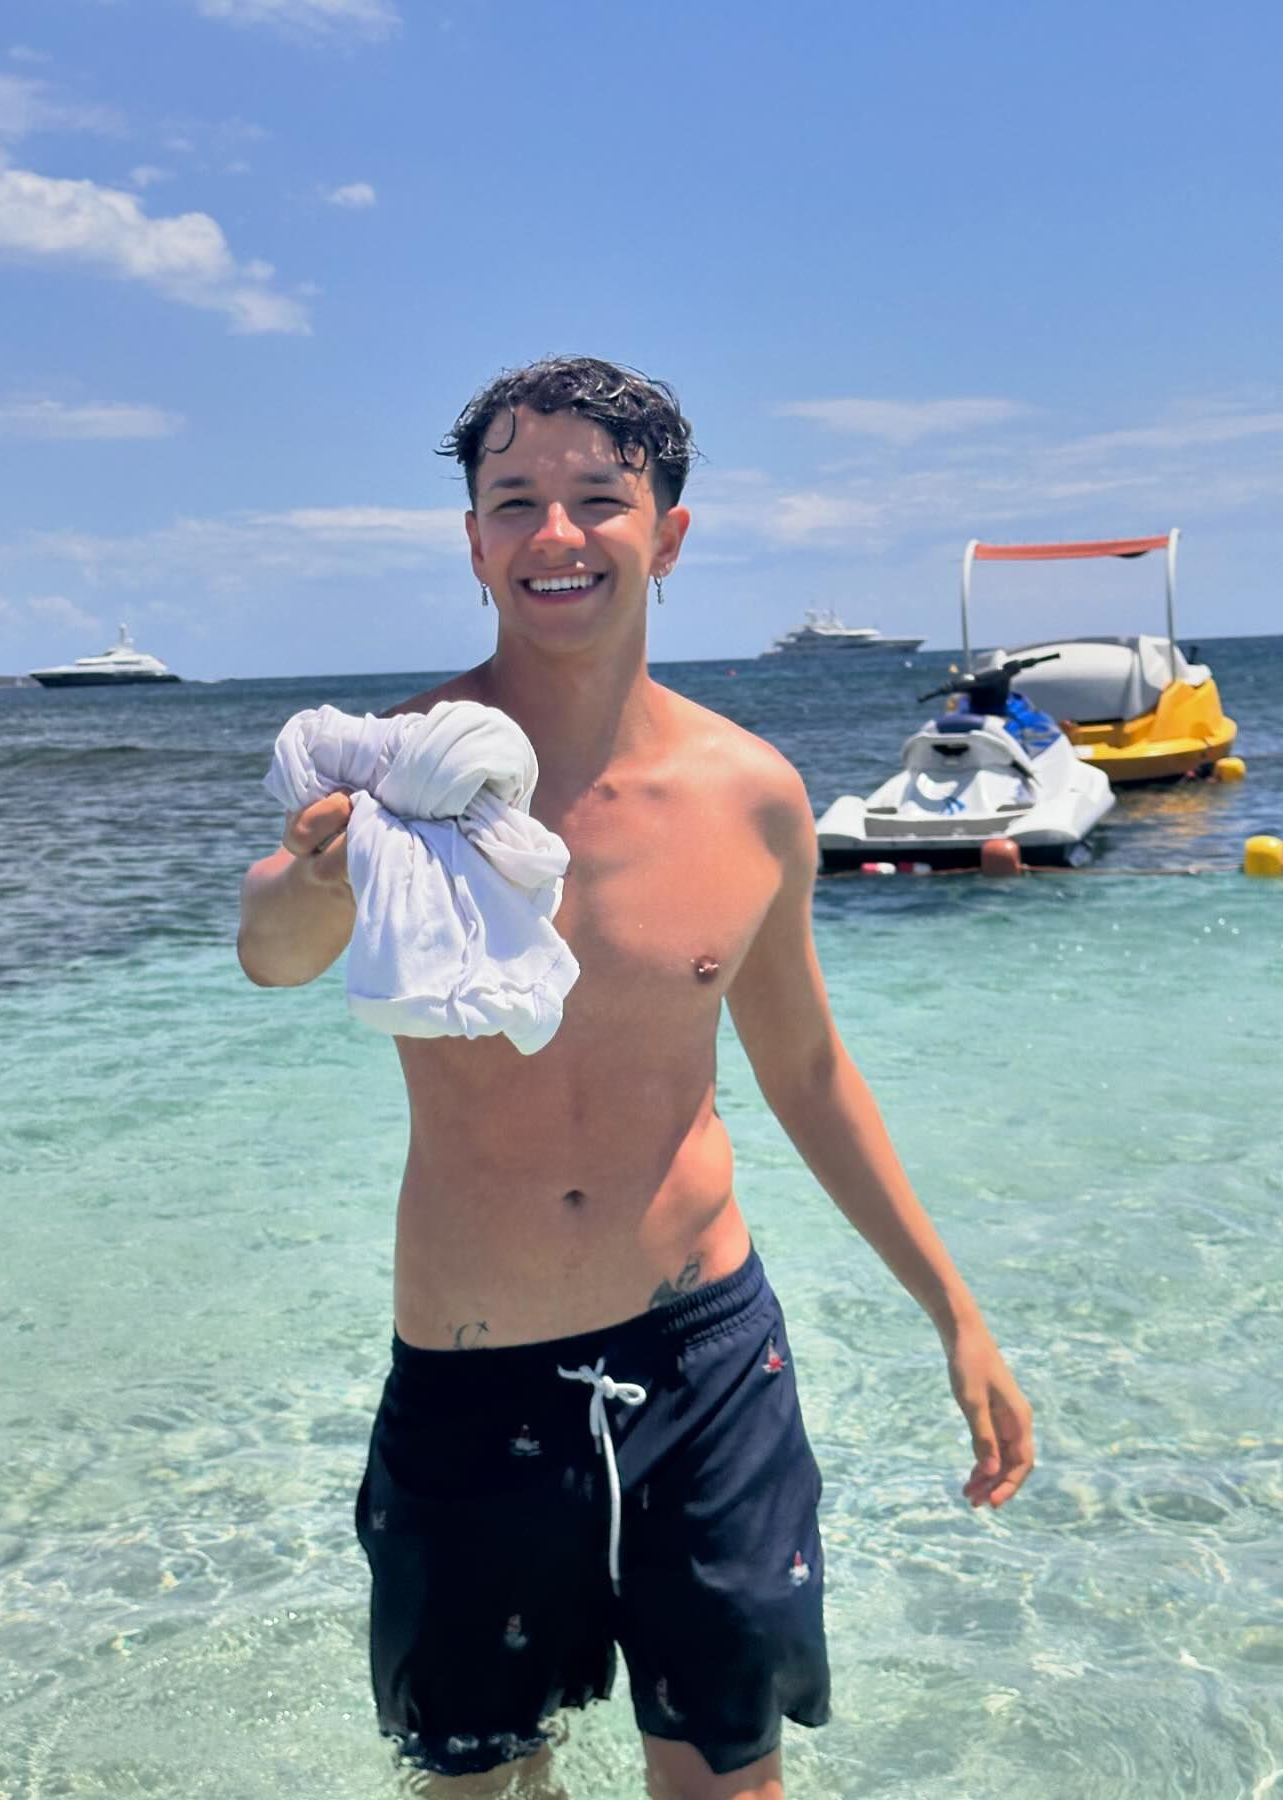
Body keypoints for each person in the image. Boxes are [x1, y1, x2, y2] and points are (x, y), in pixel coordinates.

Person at [236, 357, 1034, 1800]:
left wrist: (955, 1314)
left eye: (598, 498)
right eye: (514, 501)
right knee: (481, 1784)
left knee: (731, 1779)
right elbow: (271, 952)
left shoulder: (753, 794)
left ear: (667, 532)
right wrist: (325, 871)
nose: (557, 533)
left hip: (707, 1360)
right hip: (474, 1370)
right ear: (473, 543)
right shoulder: (409, 774)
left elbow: (807, 1070)